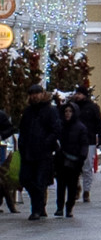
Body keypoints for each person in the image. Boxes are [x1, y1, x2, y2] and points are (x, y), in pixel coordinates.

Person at [18, 84, 61, 220]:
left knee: (40, 181)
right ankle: (39, 206)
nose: (34, 96)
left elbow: (56, 129)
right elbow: (23, 130)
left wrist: (46, 143)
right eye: (32, 94)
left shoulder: (50, 110)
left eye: (37, 93)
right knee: (25, 179)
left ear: (42, 94)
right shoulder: (28, 111)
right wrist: (22, 145)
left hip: (43, 153)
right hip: (28, 152)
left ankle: (37, 209)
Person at [55, 101, 89, 218]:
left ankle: (69, 207)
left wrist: (82, 157)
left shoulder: (80, 128)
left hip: (75, 161)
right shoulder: (60, 126)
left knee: (72, 186)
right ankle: (59, 207)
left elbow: (84, 144)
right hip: (61, 160)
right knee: (61, 185)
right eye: (66, 111)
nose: (68, 114)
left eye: (70, 111)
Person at [72, 85, 101, 203]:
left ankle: (86, 191)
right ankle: (76, 188)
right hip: (74, 141)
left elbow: (100, 123)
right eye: (77, 93)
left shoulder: (92, 107)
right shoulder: (73, 107)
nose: (77, 96)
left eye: (80, 94)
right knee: (74, 166)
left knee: (87, 167)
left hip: (89, 141)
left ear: (85, 95)